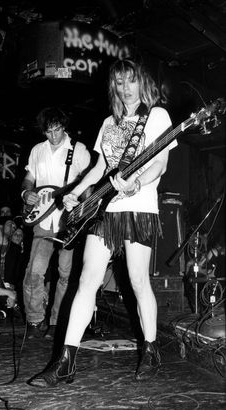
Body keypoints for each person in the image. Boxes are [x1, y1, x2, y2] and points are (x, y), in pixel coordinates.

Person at [29, 57, 177, 387]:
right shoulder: (109, 122)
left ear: (143, 82)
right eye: (120, 83)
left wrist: (137, 184)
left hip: (139, 207)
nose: (126, 89)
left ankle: (150, 350)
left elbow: (160, 163)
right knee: (86, 280)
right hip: (104, 210)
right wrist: (73, 192)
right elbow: (99, 169)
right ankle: (65, 361)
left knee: (138, 281)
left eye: (131, 81)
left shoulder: (156, 115)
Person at [21, 107, 91, 339]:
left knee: (65, 275)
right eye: (48, 131)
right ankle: (34, 319)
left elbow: (89, 185)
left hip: (68, 220)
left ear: (64, 127)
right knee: (34, 272)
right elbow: (29, 178)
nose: (54, 136)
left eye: (57, 130)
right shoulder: (37, 150)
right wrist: (26, 194)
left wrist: (85, 210)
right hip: (42, 220)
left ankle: (56, 322)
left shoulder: (78, 150)